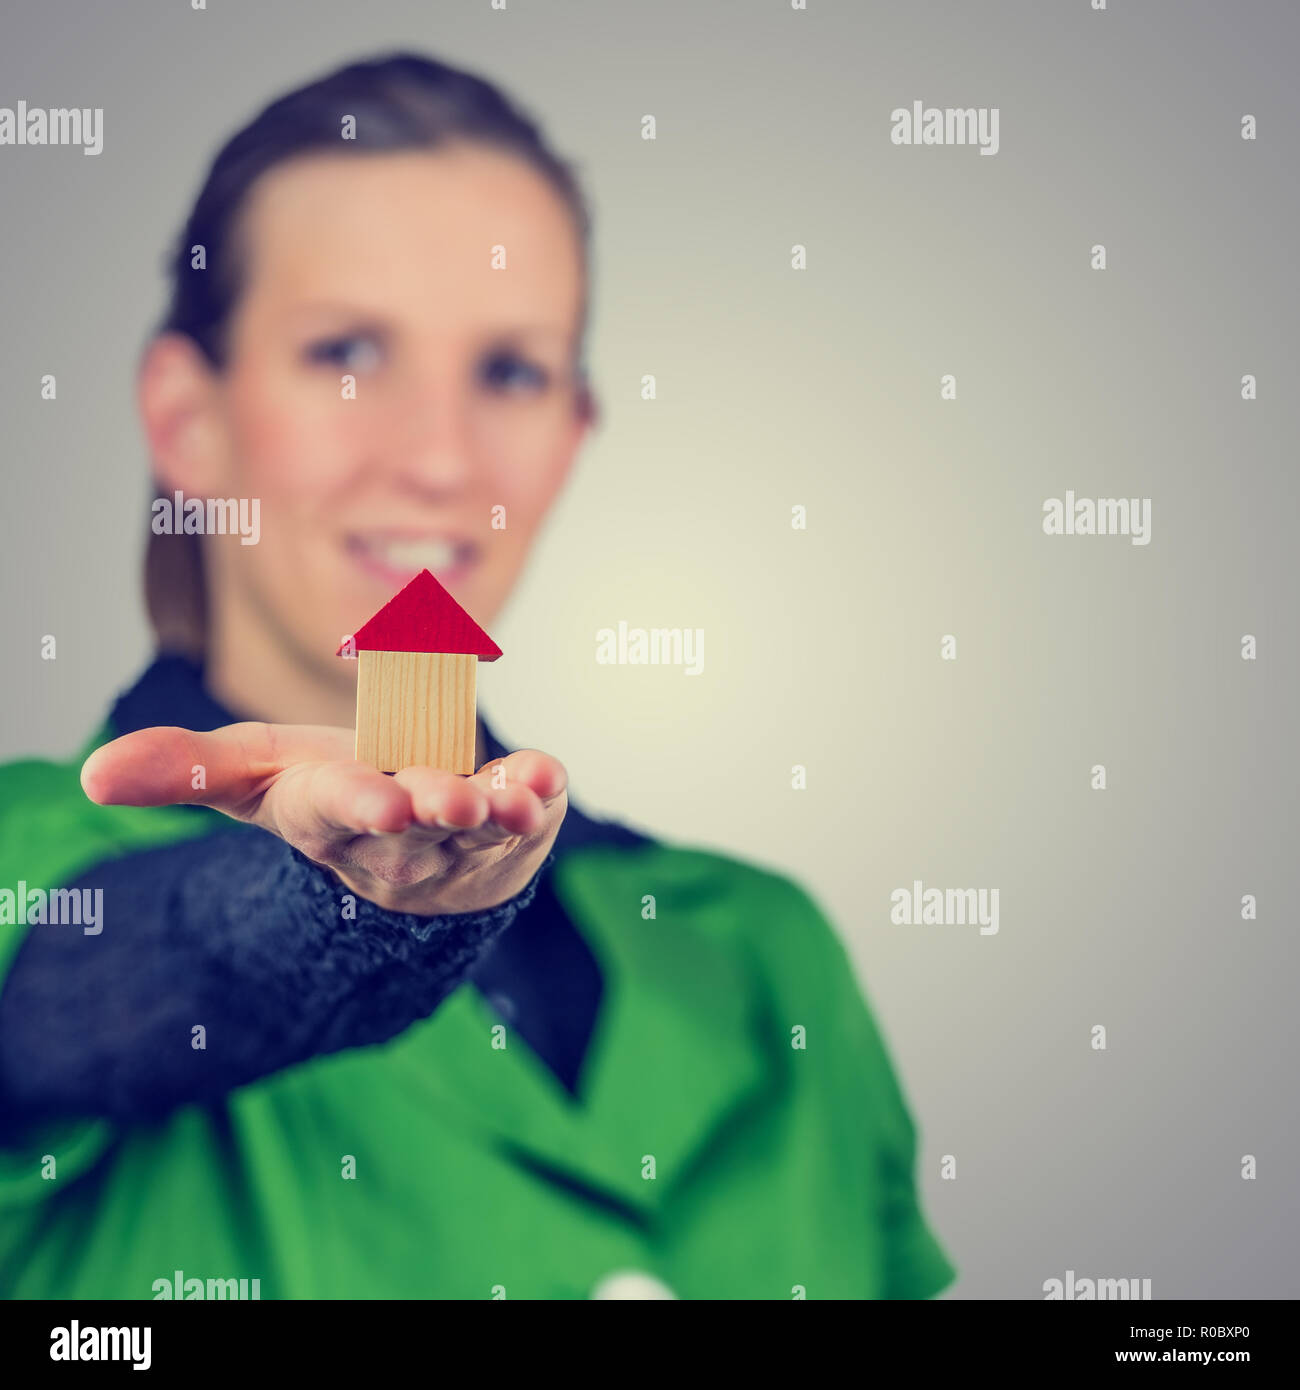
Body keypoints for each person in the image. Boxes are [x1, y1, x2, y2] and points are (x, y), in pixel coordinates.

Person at [0, 51, 955, 1300]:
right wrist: (349, 908)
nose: (440, 458)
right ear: (189, 419)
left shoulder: (771, 957)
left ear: (573, 433)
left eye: (508, 370)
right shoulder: (37, 867)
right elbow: (115, 982)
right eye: (345, 351)